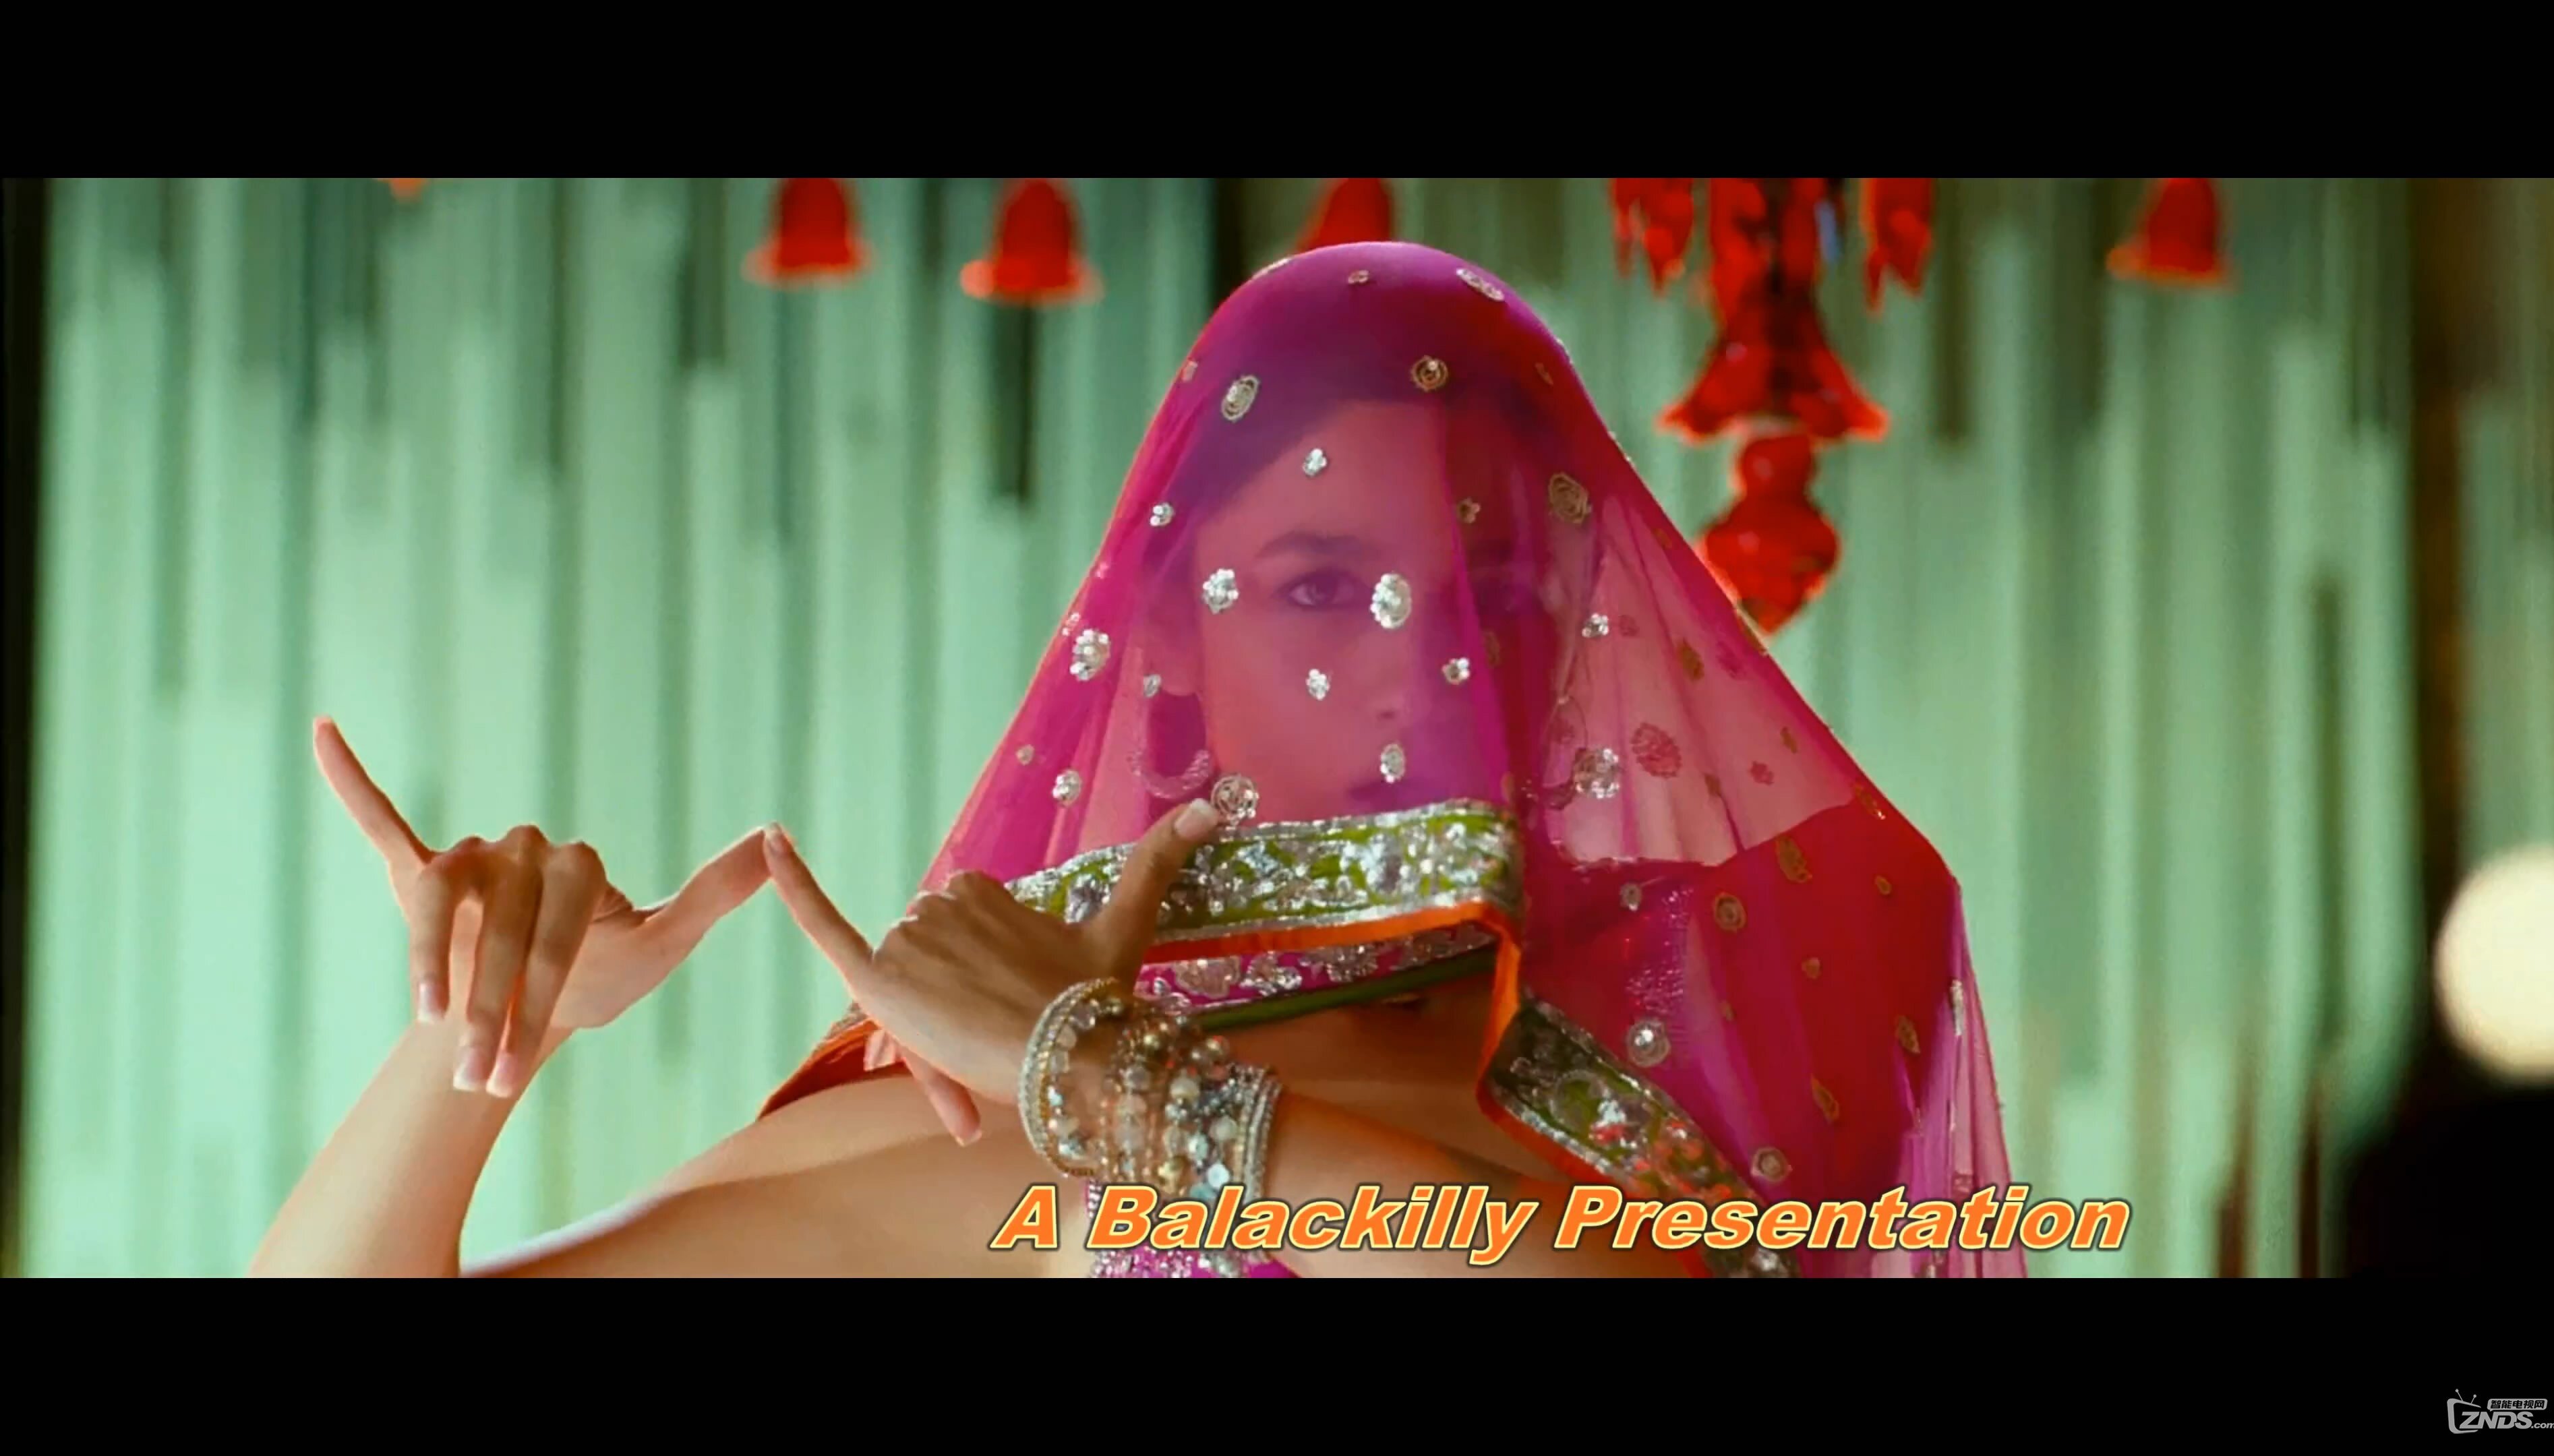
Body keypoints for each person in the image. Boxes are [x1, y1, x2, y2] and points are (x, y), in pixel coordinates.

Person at [251, 240, 2021, 1278]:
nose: (1427, 672)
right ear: (1170, 648)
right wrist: (476, 1049)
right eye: (1322, 590)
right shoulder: (978, 1115)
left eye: (1494, 598)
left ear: (1579, 636)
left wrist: (1124, 1088)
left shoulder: (1744, 975)